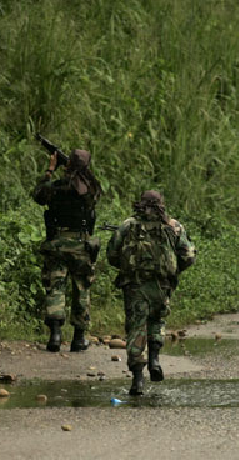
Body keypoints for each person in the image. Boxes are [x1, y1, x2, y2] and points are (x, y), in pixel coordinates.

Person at [106, 190, 196, 395]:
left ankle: (138, 380)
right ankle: (154, 360)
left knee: (136, 327)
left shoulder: (128, 225)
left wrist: (127, 267)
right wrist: (174, 271)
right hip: (162, 285)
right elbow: (189, 256)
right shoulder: (173, 226)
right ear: (161, 205)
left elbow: (112, 253)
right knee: (157, 320)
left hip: (135, 286)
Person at [33, 149, 102, 353]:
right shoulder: (91, 189)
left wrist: (50, 170)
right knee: (82, 289)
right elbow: (91, 190)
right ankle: (79, 338)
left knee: (55, 286)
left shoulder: (56, 186)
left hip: (58, 243)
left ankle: (55, 335)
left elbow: (38, 195)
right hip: (81, 245)